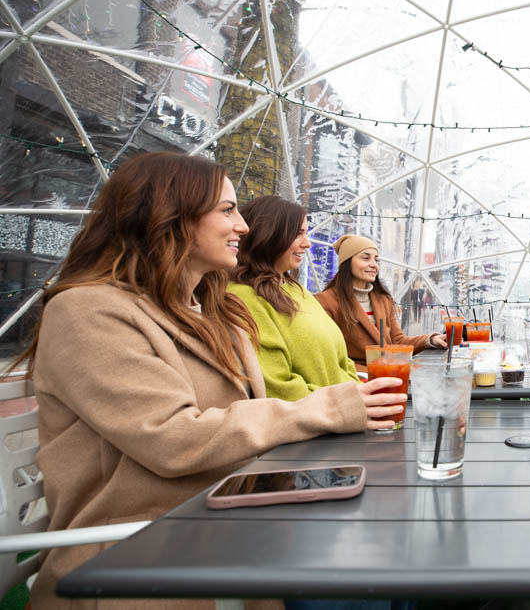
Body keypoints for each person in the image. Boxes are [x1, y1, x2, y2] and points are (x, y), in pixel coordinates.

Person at [13, 153, 405, 609]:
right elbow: (175, 439)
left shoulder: (213, 311)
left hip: (232, 524)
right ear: (168, 214)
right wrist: (329, 409)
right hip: (138, 555)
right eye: (227, 209)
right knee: (367, 584)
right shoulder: (88, 311)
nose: (242, 225)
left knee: (388, 556)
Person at [227, 195, 362, 401]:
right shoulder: (243, 296)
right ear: (270, 235)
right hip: (321, 422)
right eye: (298, 234)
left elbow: (342, 362)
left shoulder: (295, 289)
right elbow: (276, 385)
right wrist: (345, 405)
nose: (307, 244)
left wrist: (362, 395)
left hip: (349, 412)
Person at [315, 235, 446, 373]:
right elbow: (330, 357)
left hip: (387, 373)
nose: (374, 265)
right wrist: (373, 372)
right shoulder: (326, 302)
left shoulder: (383, 300)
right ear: (347, 262)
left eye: (376, 259)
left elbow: (397, 342)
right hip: (357, 379)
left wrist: (431, 340)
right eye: (366, 258)